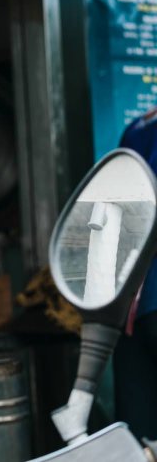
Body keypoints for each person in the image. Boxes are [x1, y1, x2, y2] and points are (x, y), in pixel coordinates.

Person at [114, 107, 157, 439]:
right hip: (141, 306)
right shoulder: (139, 131)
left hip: (134, 305)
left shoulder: (138, 130)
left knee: (139, 440)